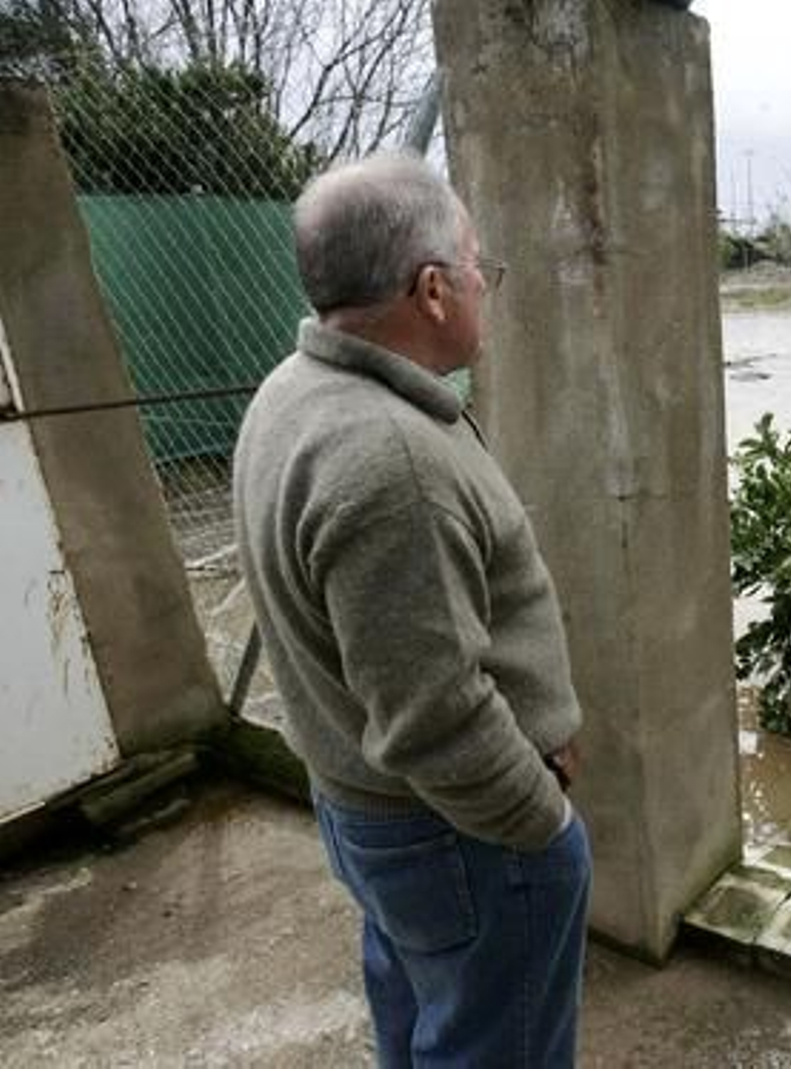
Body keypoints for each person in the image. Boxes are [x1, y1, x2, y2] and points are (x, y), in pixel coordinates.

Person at [233, 151, 589, 1067]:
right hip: (457, 833)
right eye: (480, 267)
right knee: (493, 1046)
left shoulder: (293, 391)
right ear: (433, 290)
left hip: (369, 807)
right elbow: (435, 715)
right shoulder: (389, 461)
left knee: (427, 1016)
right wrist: (541, 822)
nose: (486, 285)